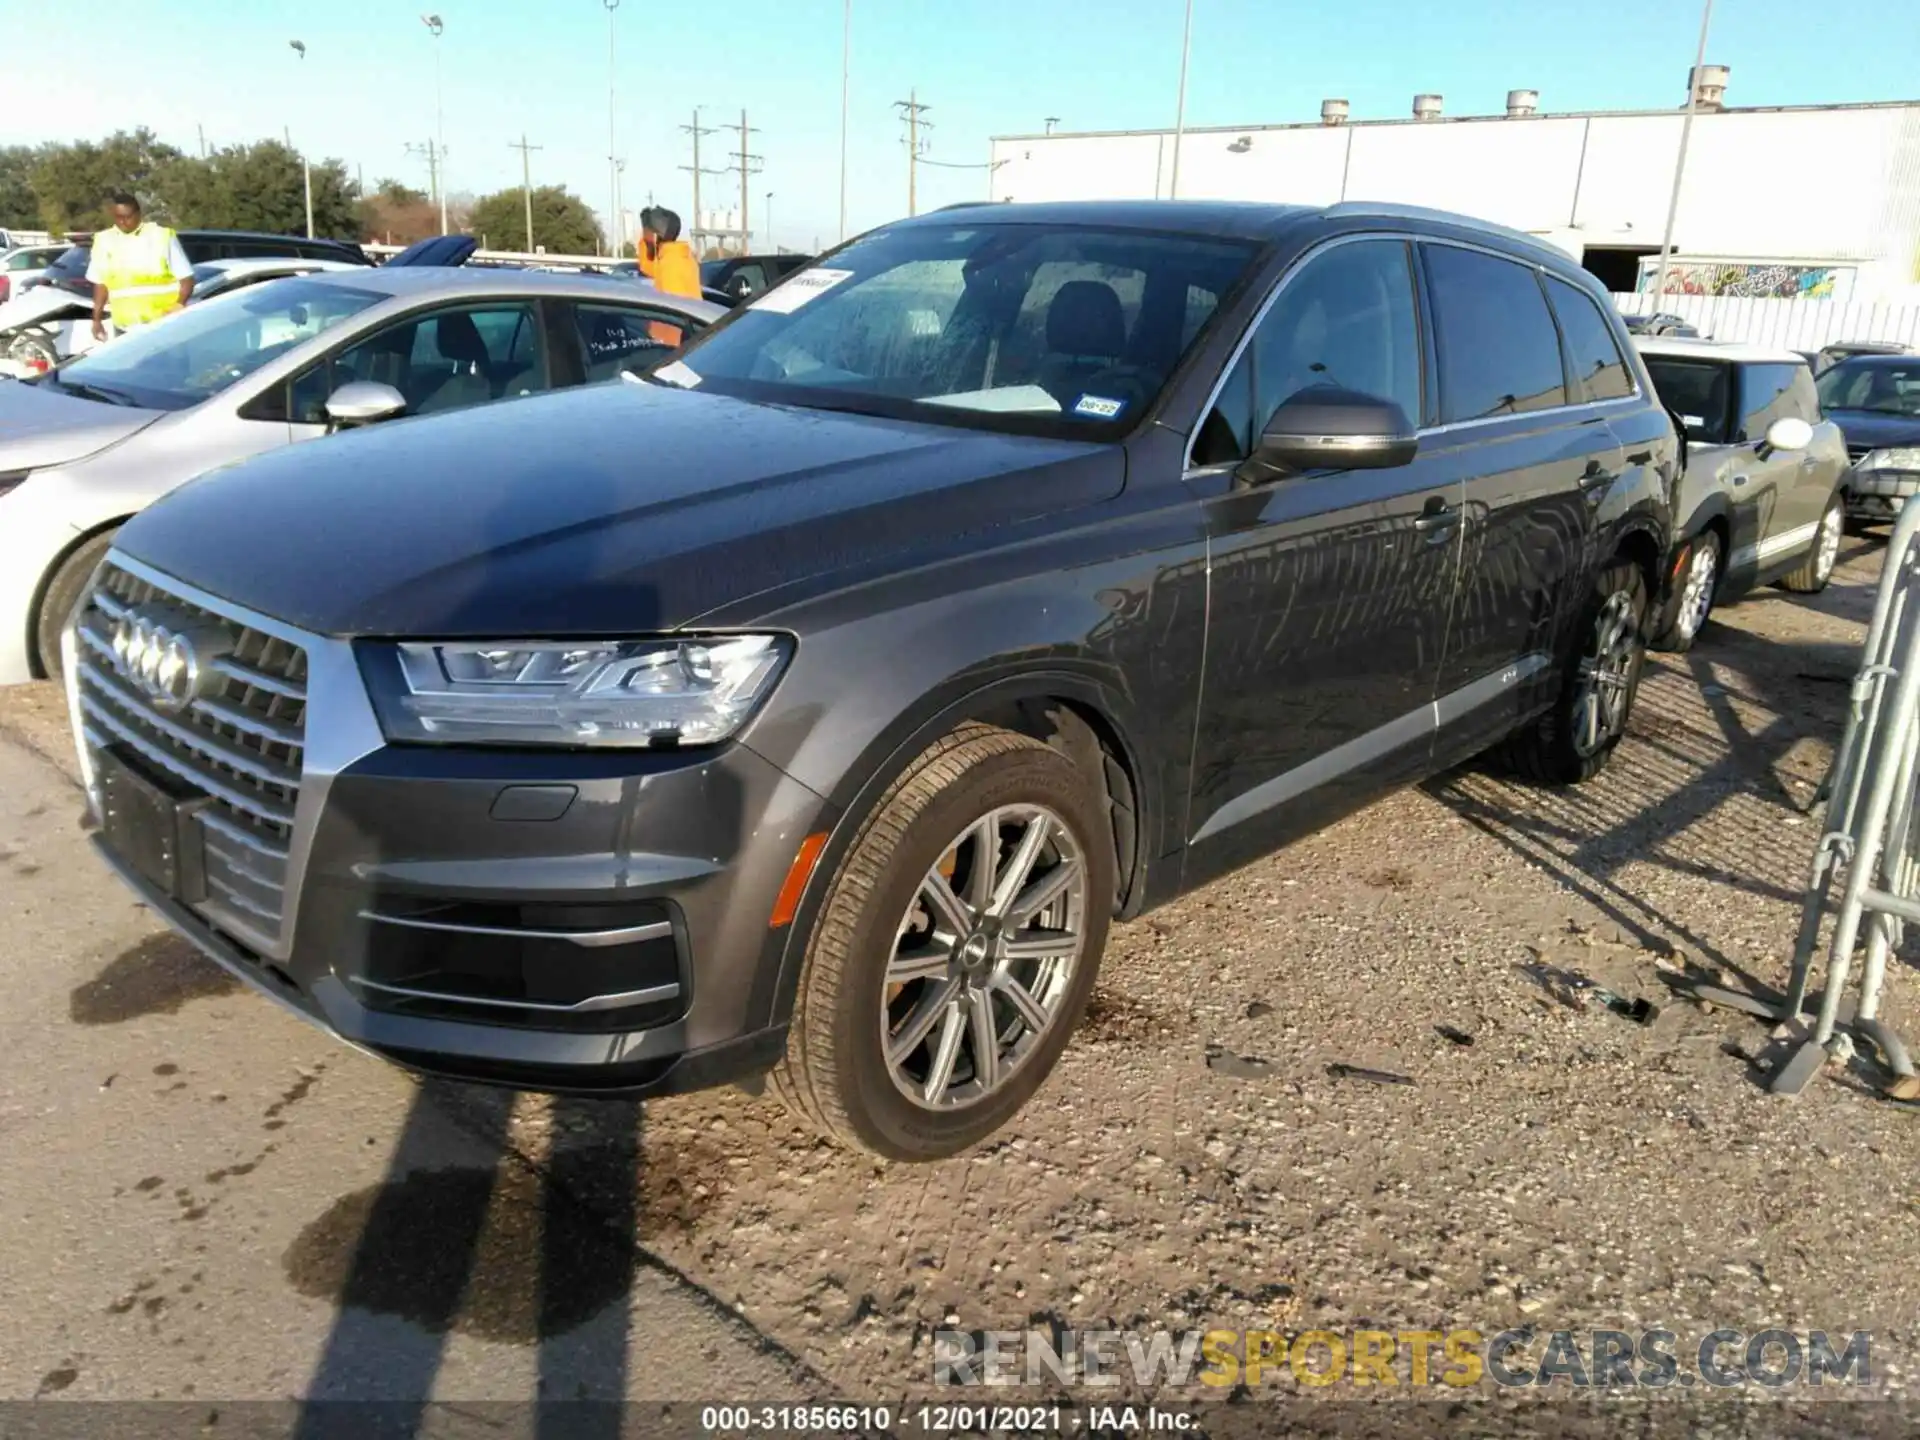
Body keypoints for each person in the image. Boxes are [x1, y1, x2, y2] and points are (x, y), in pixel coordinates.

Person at [87, 192, 194, 342]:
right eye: (118, 217)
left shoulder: (160, 236)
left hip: (163, 326)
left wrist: (179, 305)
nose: (123, 222)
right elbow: (101, 283)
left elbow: (187, 279)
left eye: (128, 217)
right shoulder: (104, 241)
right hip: (125, 329)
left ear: (138, 214)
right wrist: (96, 320)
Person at [636, 206, 701, 299]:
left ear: (656, 235)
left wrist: (649, 243)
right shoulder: (674, 256)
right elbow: (648, 267)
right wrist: (646, 245)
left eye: (647, 231)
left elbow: (675, 306)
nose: (644, 235)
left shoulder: (671, 266)